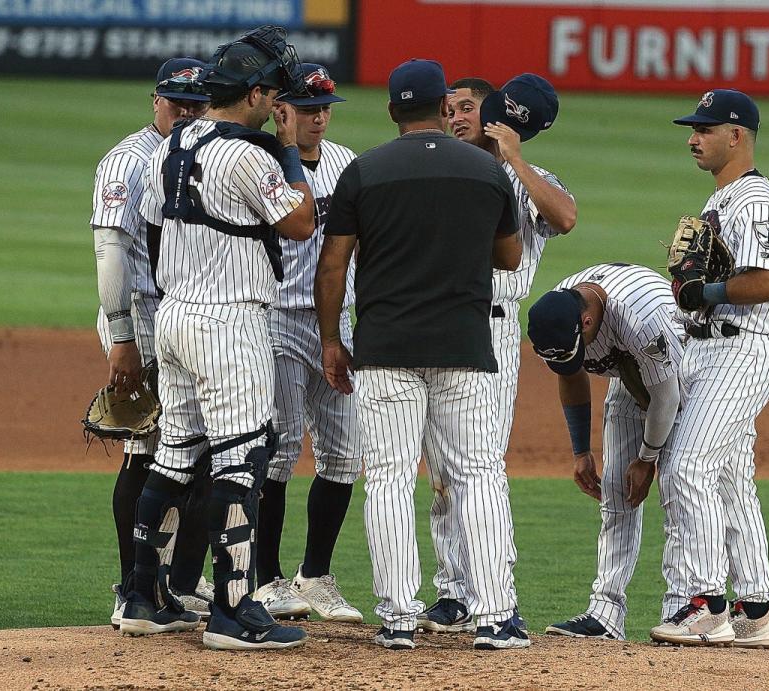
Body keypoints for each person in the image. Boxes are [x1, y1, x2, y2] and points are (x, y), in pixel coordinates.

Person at [315, 58, 526, 651]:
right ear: (442, 108)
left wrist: (332, 341)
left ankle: (399, 618)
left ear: (391, 111)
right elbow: (510, 259)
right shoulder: (485, 172)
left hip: (384, 347)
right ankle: (494, 616)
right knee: (476, 475)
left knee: (386, 478)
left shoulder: (363, 171)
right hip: (463, 345)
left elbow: (333, 265)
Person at [119, 26, 316, 652]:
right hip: (228, 320)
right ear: (254, 94)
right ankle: (234, 613)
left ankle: (141, 597)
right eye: (274, 97)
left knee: (174, 453)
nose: (279, 106)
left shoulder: (173, 145)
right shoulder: (250, 155)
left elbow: (151, 231)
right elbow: (300, 221)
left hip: (174, 314)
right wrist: (287, 150)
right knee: (242, 458)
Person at [418, 74, 576, 634]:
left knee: (478, 466)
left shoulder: (525, 176)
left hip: (491, 330)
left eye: (468, 107)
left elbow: (564, 217)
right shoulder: (441, 167)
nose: (457, 116)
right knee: (441, 469)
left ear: (496, 116)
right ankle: (454, 591)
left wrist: (515, 160)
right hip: (436, 327)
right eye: (449, 108)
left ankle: (495, 595)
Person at [650, 89, 769, 650]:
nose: (693, 137)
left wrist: (703, 288)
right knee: (731, 481)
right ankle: (756, 611)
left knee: (687, 464)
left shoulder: (756, 202)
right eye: (693, 128)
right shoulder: (722, 202)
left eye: (704, 129)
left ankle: (707, 604)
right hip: (711, 348)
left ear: (736, 136)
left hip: (742, 349)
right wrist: (696, 296)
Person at [89, 57, 214, 628]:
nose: (186, 112)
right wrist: (121, 339)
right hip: (142, 324)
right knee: (148, 453)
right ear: (155, 102)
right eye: (176, 102)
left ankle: (169, 582)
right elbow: (111, 253)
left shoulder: (205, 151)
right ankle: (133, 588)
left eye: (196, 102)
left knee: (192, 453)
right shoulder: (129, 160)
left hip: (191, 322)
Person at [250, 63, 363, 624]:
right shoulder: (261, 162)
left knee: (345, 453)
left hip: (337, 323)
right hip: (276, 319)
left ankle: (315, 575)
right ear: (281, 111)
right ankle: (264, 578)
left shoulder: (346, 165)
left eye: (325, 108)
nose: (319, 117)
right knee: (281, 447)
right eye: (307, 107)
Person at [525, 264, 684, 641]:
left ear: (587, 320)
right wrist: (581, 451)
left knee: (680, 483)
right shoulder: (558, 311)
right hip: (631, 375)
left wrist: (647, 459)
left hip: (680, 377)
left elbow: (667, 396)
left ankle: (685, 605)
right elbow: (571, 374)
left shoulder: (639, 316)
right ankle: (606, 613)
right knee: (616, 489)